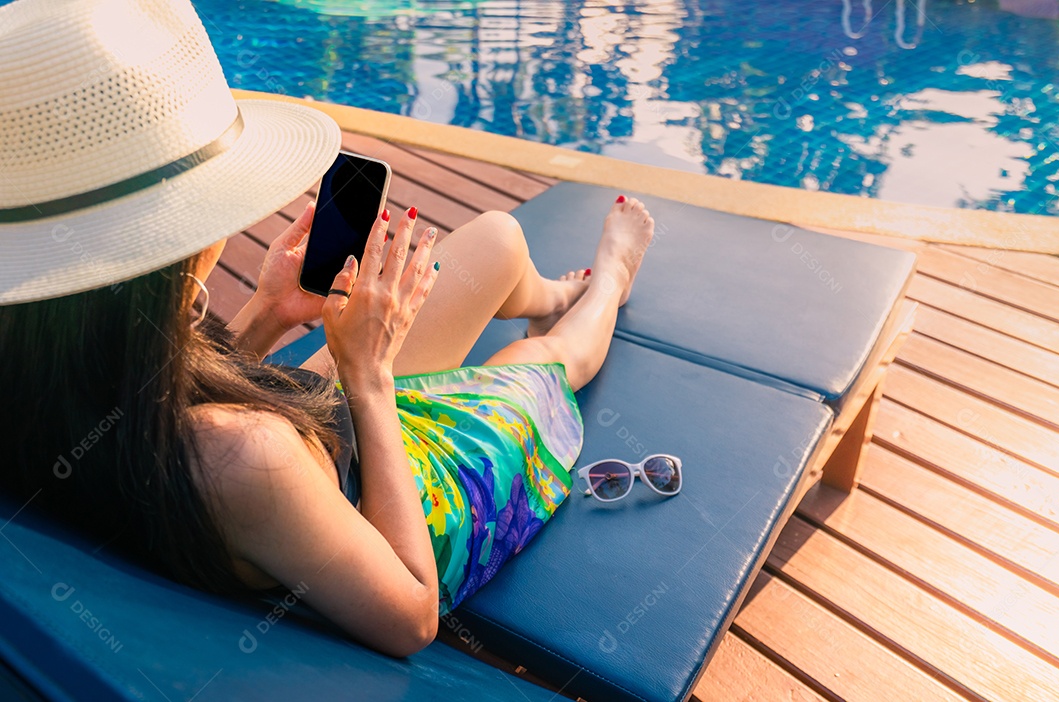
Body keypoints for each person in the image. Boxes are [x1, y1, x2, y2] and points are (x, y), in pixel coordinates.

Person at [0, 0, 653, 657]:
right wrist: (370, 375)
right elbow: (412, 615)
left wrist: (271, 312)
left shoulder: (48, 362)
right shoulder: (245, 457)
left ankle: (549, 294)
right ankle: (608, 283)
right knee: (540, 362)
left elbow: (158, 408)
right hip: (405, 511)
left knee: (496, 243)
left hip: (321, 440)